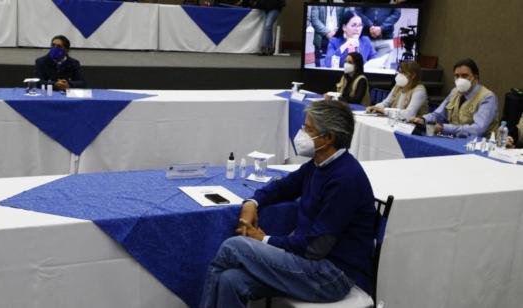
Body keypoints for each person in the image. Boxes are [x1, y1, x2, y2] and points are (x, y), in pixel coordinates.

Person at [199, 100, 376, 308]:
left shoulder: (345, 179)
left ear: (328, 138)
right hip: (310, 265)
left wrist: (263, 239)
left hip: (332, 275)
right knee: (230, 280)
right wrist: (253, 202)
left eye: (308, 129)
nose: (301, 133)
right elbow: (284, 187)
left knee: (233, 247)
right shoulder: (319, 165)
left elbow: (315, 248)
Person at [411, 58, 498, 137]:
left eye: (464, 76)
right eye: (457, 76)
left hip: (479, 145)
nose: (460, 79)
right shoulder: (455, 92)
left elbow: (478, 129)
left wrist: (443, 128)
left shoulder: (487, 97)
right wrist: (422, 119)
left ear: (475, 78)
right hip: (454, 140)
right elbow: (438, 114)